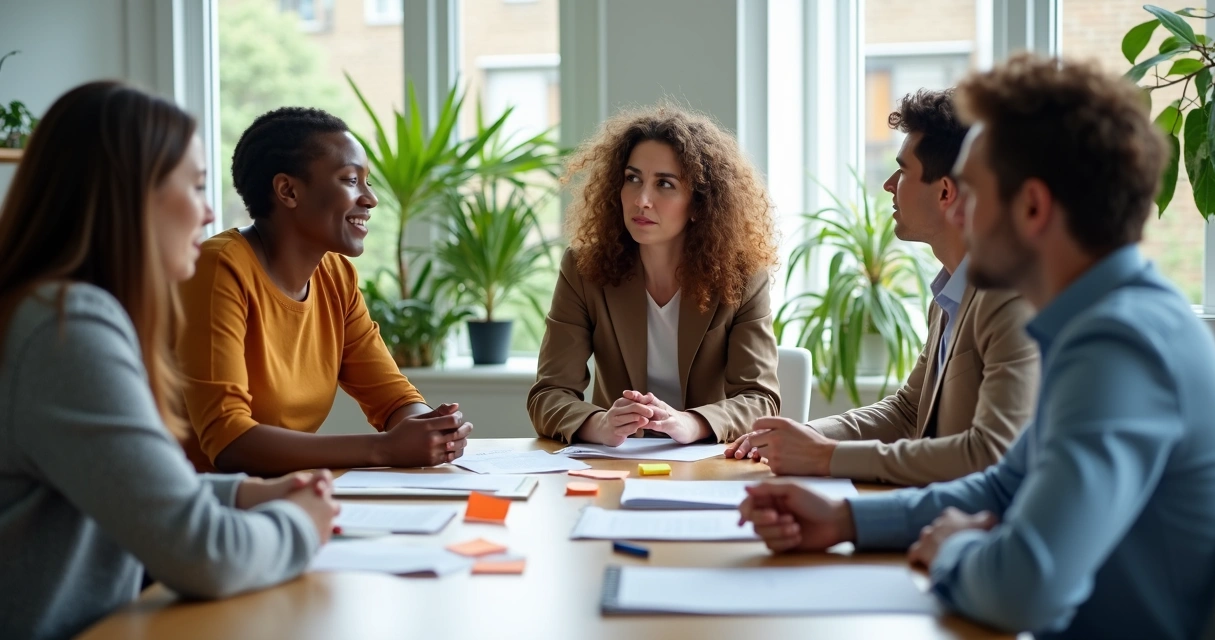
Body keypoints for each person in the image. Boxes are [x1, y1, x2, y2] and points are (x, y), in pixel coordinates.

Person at [738, 54, 1215, 639]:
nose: (956, 210)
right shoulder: (1097, 322)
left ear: (1033, 207)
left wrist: (953, 551)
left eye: (970, 191)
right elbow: (1001, 484)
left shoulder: (1122, 343)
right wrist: (844, 519)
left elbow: (1026, 587)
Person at [0, 82, 337, 640]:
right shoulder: (66, 328)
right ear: (131, 195)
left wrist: (243, 493)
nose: (208, 213)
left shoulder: (49, 312)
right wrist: (302, 523)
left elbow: (124, 482)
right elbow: (205, 554)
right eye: (198, 186)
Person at [726, 89, 1040, 486]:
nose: (889, 185)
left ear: (945, 192)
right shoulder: (950, 295)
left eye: (903, 171)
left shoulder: (1009, 297)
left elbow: (990, 453)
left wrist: (828, 457)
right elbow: (909, 411)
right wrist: (804, 437)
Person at [176, 107, 472, 476]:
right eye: (351, 180)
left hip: (290, 495)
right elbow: (229, 442)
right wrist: (384, 449)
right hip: (206, 507)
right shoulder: (218, 269)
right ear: (288, 191)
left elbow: (393, 399)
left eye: (368, 181)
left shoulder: (335, 276)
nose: (370, 198)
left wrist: (431, 430)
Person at [528, 105, 781, 445]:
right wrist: (599, 424)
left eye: (665, 184)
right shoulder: (584, 269)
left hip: (706, 466)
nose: (642, 200)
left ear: (699, 203)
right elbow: (548, 394)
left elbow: (760, 400)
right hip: (615, 465)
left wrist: (690, 423)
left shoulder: (742, 277)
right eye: (633, 179)